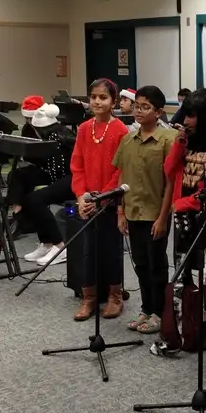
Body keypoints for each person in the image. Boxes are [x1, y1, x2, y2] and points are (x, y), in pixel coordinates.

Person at [149, 89, 206, 357]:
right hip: (183, 216)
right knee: (184, 273)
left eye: (193, 115)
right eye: (187, 114)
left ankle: (205, 323)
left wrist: (186, 203)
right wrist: (180, 143)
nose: (188, 120)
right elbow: (169, 170)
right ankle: (184, 324)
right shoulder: (185, 140)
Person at [111, 86, 176, 335]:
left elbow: (171, 182)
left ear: (158, 112)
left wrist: (163, 216)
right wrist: (120, 212)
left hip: (155, 214)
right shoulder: (128, 139)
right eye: (136, 105)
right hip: (132, 211)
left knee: (156, 264)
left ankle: (159, 312)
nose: (138, 111)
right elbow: (121, 177)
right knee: (139, 264)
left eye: (145, 107)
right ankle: (146, 309)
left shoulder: (168, 139)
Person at [70, 78, 130, 321]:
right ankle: (89, 297)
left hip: (111, 199)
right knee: (88, 250)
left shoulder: (120, 130)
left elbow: (121, 169)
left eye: (103, 97)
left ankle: (115, 296)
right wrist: (82, 196)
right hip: (87, 200)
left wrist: (102, 198)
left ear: (113, 101)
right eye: (93, 96)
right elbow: (77, 165)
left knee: (112, 249)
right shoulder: (84, 129)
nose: (97, 101)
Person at [15, 105, 76, 265]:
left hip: (73, 178)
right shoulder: (49, 136)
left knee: (35, 200)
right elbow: (46, 162)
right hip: (56, 174)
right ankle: (46, 242)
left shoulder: (62, 136)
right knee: (21, 176)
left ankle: (60, 245)